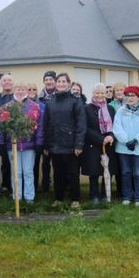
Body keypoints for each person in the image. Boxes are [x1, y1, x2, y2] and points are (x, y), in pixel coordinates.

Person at [43, 72, 86, 208]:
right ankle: (59, 198)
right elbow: (47, 124)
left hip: (71, 145)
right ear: (56, 84)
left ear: (68, 84)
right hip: (55, 145)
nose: (61, 84)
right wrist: (46, 145)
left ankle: (75, 199)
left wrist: (78, 144)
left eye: (64, 82)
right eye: (59, 81)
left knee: (73, 173)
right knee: (57, 173)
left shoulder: (75, 100)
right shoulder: (50, 101)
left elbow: (81, 124)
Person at [1, 82, 44, 203]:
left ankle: (29, 197)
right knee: (16, 172)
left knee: (28, 172)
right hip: (12, 146)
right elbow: (2, 127)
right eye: (18, 89)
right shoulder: (7, 106)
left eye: (22, 90)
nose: (20, 92)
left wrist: (39, 143)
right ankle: (17, 197)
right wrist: (1, 143)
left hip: (29, 146)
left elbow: (40, 126)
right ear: (14, 91)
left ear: (26, 92)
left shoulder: (34, 106)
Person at [113, 85, 139, 207]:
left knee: (138, 173)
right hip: (124, 147)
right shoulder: (121, 111)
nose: (130, 98)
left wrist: (136, 140)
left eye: (133, 95)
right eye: (128, 96)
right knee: (125, 172)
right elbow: (117, 127)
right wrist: (126, 141)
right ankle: (127, 196)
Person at [80, 83, 117, 204]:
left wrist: (111, 136)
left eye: (102, 93)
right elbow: (86, 128)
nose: (100, 95)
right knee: (94, 172)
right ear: (93, 94)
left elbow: (115, 126)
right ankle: (94, 195)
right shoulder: (87, 108)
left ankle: (106, 194)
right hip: (93, 145)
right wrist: (101, 139)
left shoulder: (111, 108)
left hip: (109, 145)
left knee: (107, 171)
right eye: (97, 93)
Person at [0, 74, 14, 194]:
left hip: (14, 135)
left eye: (9, 80)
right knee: (5, 162)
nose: (7, 82)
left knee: (14, 162)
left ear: (13, 83)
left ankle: (15, 186)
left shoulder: (16, 96)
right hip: (1, 135)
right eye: (4, 80)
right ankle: (6, 185)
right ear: (1, 83)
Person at [38, 71, 57, 191]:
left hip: (56, 134)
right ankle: (45, 182)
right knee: (45, 162)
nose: (49, 81)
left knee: (56, 162)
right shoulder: (39, 97)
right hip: (43, 133)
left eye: (51, 79)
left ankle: (58, 185)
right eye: (46, 79)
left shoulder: (58, 95)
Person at [28, 82, 46, 191]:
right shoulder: (21, 105)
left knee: (35, 165)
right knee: (25, 168)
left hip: (37, 140)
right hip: (25, 141)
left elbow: (43, 124)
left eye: (33, 89)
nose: (31, 91)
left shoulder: (42, 105)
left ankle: (34, 187)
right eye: (29, 89)